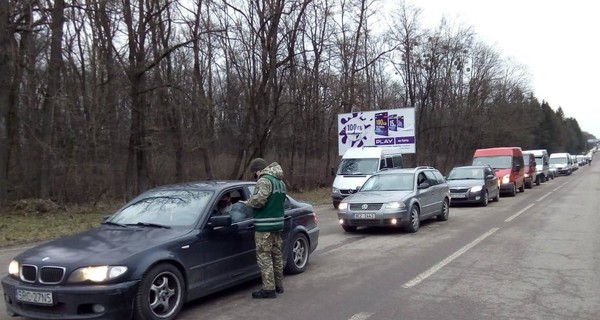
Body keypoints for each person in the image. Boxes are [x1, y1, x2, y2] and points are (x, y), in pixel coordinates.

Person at [243, 158, 286, 299]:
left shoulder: (264, 180)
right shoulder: (280, 182)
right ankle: (279, 285)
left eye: (254, 173)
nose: (255, 177)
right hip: (277, 225)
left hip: (264, 226)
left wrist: (247, 202)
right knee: (276, 255)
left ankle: (268, 289)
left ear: (257, 170)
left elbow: (260, 200)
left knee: (264, 257)